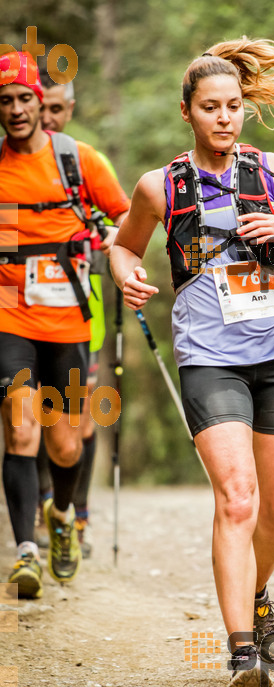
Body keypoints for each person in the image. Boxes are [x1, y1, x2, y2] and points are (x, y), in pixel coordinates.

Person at [110, 37, 274, 687]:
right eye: (211, 107)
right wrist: (129, 277)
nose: (225, 117)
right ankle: (242, 651)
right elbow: (122, 247)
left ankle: (257, 592)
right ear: (188, 112)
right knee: (238, 500)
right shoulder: (161, 185)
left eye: (234, 105)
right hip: (209, 359)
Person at [0, 51, 130, 598]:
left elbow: (126, 215)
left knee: (65, 446)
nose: (16, 109)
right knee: (21, 429)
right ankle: (25, 552)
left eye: (24, 98)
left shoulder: (80, 160)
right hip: (9, 316)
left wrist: (115, 245)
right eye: (4, 100)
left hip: (69, 319)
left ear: (41, 103)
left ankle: (61, 514)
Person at [33, 73, 117, 558]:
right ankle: (46, 511)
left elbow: (119, 224)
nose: (48, 118)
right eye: (42, 108)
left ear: (70, 107)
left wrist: (107, 240)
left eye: (57, 109)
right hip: (26, 314)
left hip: (84, 316)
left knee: (78, 423)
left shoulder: (83, 161)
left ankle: (75, 517)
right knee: (34, 415)